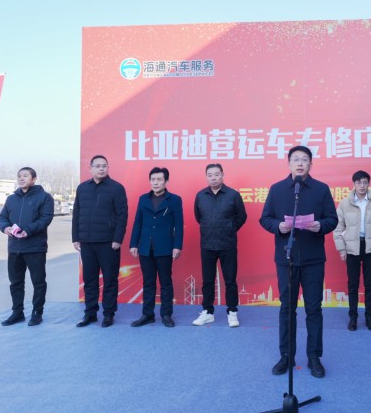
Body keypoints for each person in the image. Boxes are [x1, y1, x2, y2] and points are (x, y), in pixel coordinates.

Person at [260, 145, 338, 379]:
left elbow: (332, 219)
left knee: (314, 309)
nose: (300, 163)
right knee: (287, 308)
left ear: (311, 164)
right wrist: (279, 226)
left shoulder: (321, 189)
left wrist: (320, 226)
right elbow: (265, 218)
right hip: (287, 259)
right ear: (289, 164)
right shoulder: (277, 189)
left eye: (305, 159)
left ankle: (314, 356)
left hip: (313, 259)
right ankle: (286, 355)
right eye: (296, 159)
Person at [72, 155, 128, 328]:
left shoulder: (116, 188)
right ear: (90, 169)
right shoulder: (82, 188)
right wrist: (76, 237)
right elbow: (76, 214)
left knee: (110, 280)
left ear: (108, 168)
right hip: (87, 242)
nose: (101, 168)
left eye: (104, 165)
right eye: (97, 166)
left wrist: (117, 239)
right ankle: (90, 314)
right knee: (90, 280)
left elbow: (122, 215)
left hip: (108, 243)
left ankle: (108, 314)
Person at [333, 170, 371, 332]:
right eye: (359, 182)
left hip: (370, 247)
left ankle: (369, 318)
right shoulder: (345, 203)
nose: (362, 186)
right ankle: (353, 318)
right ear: (353, 184)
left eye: (365, 182)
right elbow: (337, 228)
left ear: (369, 184)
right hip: (352, 248)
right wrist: (341, 249)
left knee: (369, 284)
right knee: (353, 285)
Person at [0, 167, 55, 326]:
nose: (21, 178)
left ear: (34, 179)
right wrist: (5, 228)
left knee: (38, 282)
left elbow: (45, 219)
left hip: (35, 247)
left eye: (25, 176)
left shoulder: (44, 197)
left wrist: (28, 231)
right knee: (15, 282)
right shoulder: (11, 199)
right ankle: (17, 313)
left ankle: (37, 312)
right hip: (14, 248)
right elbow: (2, 217)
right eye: (19, 176)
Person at [192, 163, 247, 327]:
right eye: (210, 175)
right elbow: (198, 217)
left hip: (227, 244)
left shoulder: (233, 195)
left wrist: (229, 229)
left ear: (223, 175)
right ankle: (208, 312)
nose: (213, 178)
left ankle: (232, 312)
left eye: (216, 174)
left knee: (230, 280)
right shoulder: (200, 195)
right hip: (207, 244)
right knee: (207, 281)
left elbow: (242, 217)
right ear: (206, 177)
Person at [129, 167, 183, 328]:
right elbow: (138, 222)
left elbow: (179, 225)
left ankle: (166, 314)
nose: (155, 182)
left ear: (166, 182)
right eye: (153, 179)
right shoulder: (143, 199)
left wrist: (177, 246)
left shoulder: (174, 200)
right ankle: (148, 314)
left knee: (165, 282)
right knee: (148, 282)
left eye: (159, 179)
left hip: (165, 247)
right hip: (145, 247)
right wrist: (133, 243)